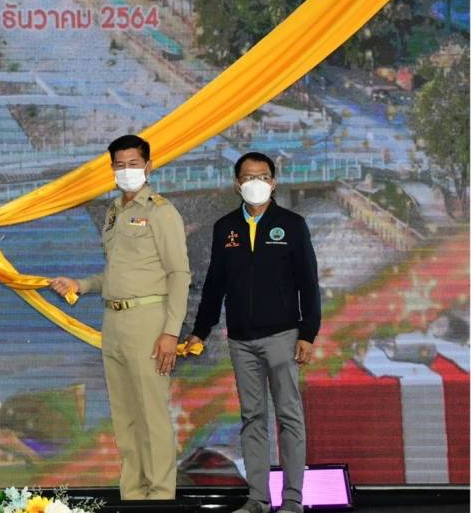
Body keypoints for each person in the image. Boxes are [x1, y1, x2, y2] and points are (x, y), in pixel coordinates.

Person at [51, 134, 190, 500]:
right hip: (113, 322)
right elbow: (115, 273)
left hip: (149, 321)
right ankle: (133, 495)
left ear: (149, 166)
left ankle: (160, 496)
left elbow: (179, 274)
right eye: (120, 165)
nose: (127, 171)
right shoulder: (113, 212)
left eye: (134, 164)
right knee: (125, 416)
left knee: (152, 415)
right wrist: (80, 285)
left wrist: (171, 333)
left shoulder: (162, 212)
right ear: (111, 168)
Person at [183, 152, 321, 513]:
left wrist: (308, 333)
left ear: (273, 183)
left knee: (289, 417)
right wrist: (200, 331)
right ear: (236, 184)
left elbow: (309, 282)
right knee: (252, 419)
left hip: (284, 337)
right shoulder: (224, 228)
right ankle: (258, 498)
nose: (254, 183)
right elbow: (214, 285)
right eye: (247, 177)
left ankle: (293, 500)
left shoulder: (292, 224)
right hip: (240, 340)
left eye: (262, 176)